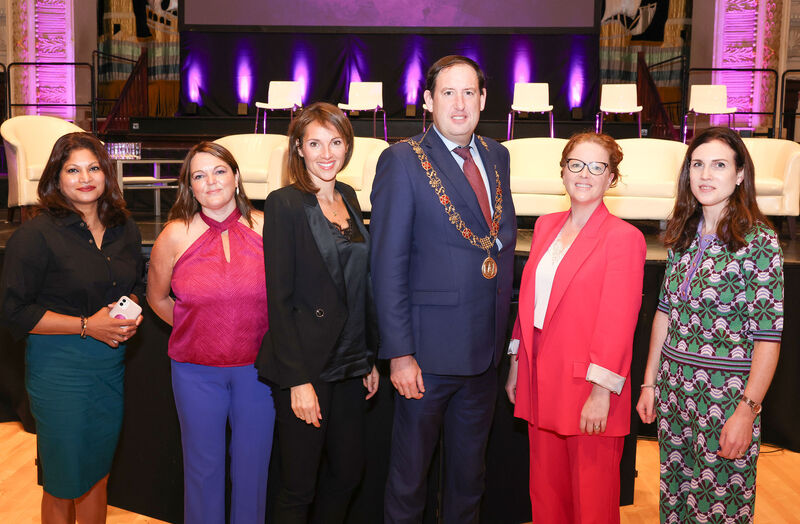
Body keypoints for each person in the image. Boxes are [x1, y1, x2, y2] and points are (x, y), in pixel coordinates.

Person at [370, 55, 517, 523]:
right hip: (425, 358)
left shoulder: (498, 155)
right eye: (448, 93)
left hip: (484, 355)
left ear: (483, 99)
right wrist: (399, 353)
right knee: (410, 483)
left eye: (469, 92)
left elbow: (497, 242)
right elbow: (386, 265)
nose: (460, 104)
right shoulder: (402, 160)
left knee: (468, 483)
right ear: (429, 101)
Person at [636, 126, 783, 523]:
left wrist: (747, 411)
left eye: (719, 165)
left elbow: (768, 339)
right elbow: (664, 315)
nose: (705, 175)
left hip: (724, 402)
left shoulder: (760, 242)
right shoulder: (682, 235)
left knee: (719, 509)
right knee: (675, 503)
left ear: (739, 175)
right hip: (675, 395)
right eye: (697, 165)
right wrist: (650, 382)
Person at [0, 132, 145, 523]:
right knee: (64, 481)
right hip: (59, 368)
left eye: (94, 168)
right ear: (56, 178)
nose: (85, 178)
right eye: (73, 169)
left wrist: (131, 312)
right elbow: (15, 311)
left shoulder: (124, 229)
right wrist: (87, 325)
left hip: (109, 368)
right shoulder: (35, 235)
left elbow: (137, 286)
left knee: (98, 473)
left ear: (106, 174)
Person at [504, 132, 646, 523]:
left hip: (589, 390)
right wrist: (517, 362)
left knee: (592, 503)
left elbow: (618, 322)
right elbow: (529, 301)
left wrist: (601, 393)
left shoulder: (624, 238)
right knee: (546, 496)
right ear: (563, 171)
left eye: (597, 167)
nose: (585, 174)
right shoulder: (546, 226)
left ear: (611, 178)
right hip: (539, 380)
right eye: (576, 164)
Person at [256, 101, 380, 523]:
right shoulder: (284, 203)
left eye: (336, 142)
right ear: (299, 148)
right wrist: (298, 381)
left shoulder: (347, 196)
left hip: (348, 364)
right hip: (305, 366)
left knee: (349, 473)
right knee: (299, 486)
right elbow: (280, 298)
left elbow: (358, 285)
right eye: (315, 143)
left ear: (347, 146)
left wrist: (367, 358)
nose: (327, 153)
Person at [146, 142, 274, 524]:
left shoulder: (269, 227)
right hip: (195, 372)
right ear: (189, 187)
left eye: (219, 171)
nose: (210, 181)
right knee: (202, 471)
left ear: (235, 177)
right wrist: (201, 329)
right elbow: (157, 299)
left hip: (259, 371)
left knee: (253, 471)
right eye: (198, 176)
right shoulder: (173, 235)